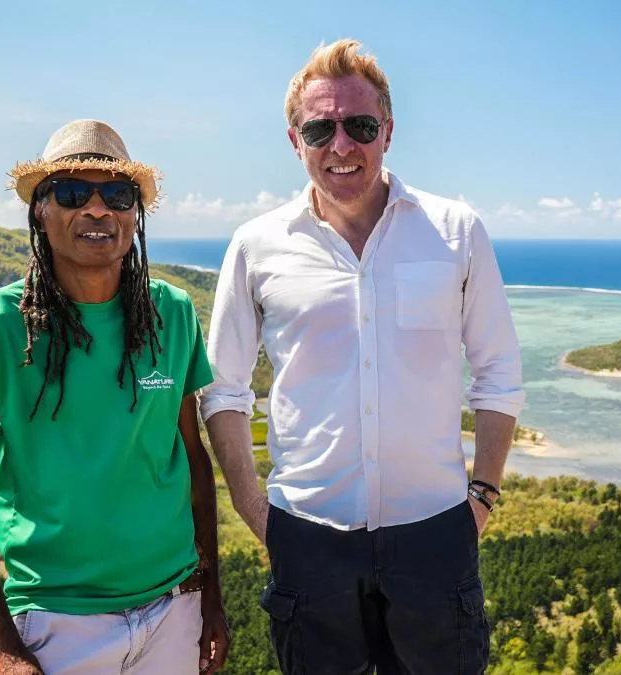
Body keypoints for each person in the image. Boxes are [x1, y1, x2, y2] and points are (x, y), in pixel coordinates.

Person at [200, 40, 524, 674]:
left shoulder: (456, 230)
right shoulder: (257, 244)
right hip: (308, 535)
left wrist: (480, 498)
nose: (341, 145)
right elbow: (224, 388)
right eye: (321, 128)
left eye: (360, 126)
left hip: (435, 532)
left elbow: (498, 374)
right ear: (296, 140)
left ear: (389, 132)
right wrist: (252, 507)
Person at [0, 119, 229, 675]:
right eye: (71, 192)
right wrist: (1, 646)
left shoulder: (173, 313)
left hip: (175, 611)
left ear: (135, 214)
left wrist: (210, 596)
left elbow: (190, 458)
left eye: (117, 194)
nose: (97, 209)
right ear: (40, 210)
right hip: (55, 623)